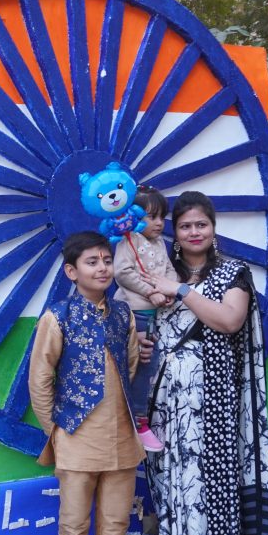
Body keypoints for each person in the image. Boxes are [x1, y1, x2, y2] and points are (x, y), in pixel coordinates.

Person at [142, 191, 268, 535]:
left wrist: (182, 290)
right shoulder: (158, 272)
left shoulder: (232, 273)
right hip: (165, 398)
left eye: (201, 224)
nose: (193, 232)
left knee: (210, 483)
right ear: (175, 231)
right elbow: (144, 320)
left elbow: (229, 320)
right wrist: (142, 343)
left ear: (213, 228)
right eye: (185, 226)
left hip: (213, 399)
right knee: (171, 484)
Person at [28, 231, 161, 535]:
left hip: (121, 436)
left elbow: (131, 366)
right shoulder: (57, 317)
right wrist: (57, 431)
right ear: (72, 271)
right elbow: (40, 380)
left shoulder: (123, 314)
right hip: (75, 436)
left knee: (116, 522)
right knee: (74, 525)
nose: (102, 268)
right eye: (92, 262)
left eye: (106, 260)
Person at [113, 185, 174, 452]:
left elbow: (169, 270)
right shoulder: (129, 240)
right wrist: (151, 292)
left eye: (162, 217)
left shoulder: (159, 243)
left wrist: (170, 290)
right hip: (134, 314)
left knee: (150, 364)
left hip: (152, 314)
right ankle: (138, 420)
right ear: (135, 216)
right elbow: (122, 272)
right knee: (142, 366)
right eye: (151, 217)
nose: (159, 223)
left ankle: (136, 417)